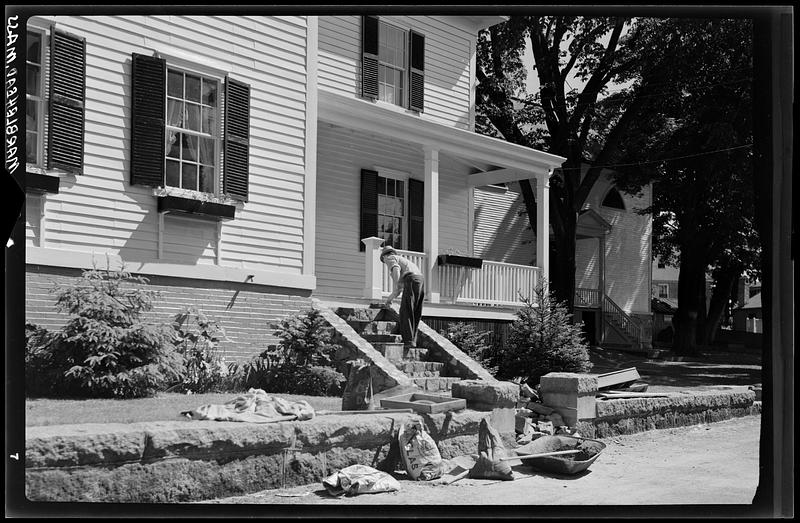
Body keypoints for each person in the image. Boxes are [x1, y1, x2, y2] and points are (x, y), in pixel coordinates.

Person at [380, 246, 425, 349]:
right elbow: (399, 290)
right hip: (420, 279)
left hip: (411, 278)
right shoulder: (405, 261)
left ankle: (408, 341)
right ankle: (413, 340)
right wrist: (389, 300)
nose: (384, 262)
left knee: (406, 311)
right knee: (415, 311)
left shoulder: (390, 258)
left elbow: (396, 270)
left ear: (385, 255)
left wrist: (396, 285)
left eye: (383, 260)